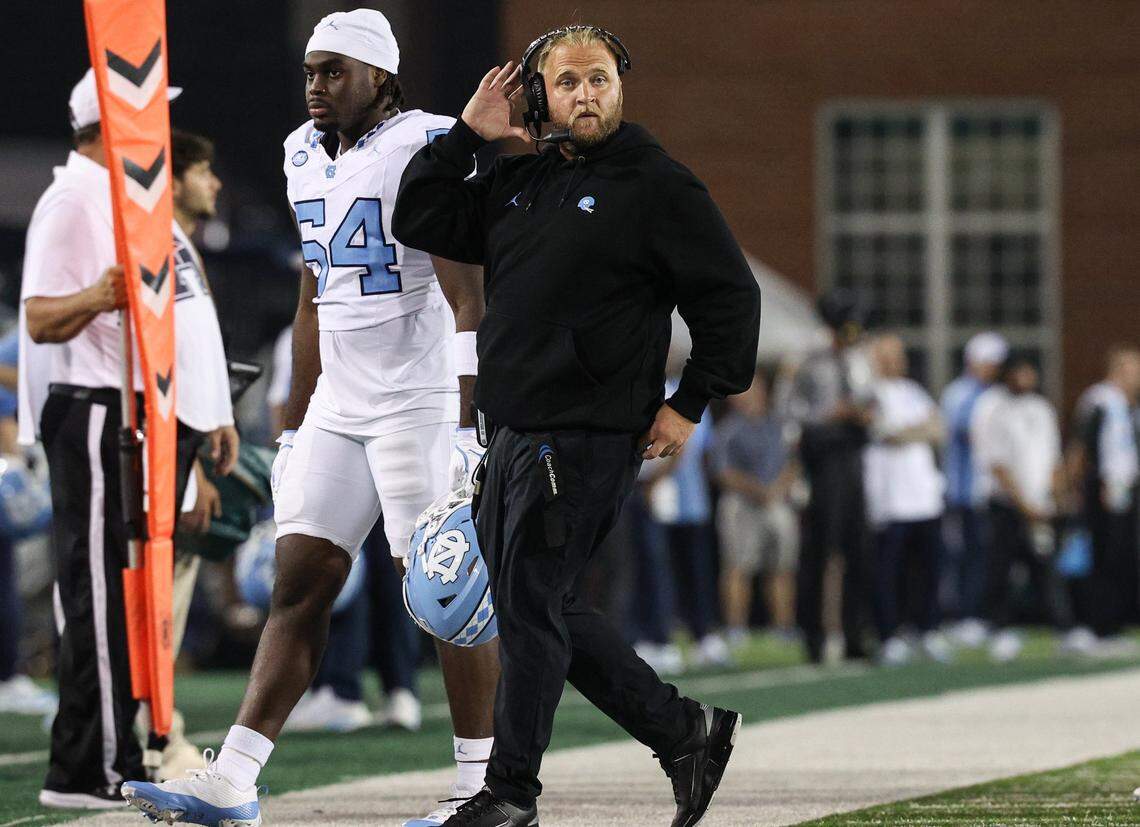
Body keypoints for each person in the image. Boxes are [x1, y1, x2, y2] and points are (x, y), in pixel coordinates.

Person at [123, 11, 499, 827]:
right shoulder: (298, 152)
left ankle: (483, 786)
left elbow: (471, 299)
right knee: (300, 580)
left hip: (420, 399)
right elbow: (311, 296)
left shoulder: (428, 146)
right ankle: (235, 778)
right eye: (309, 72)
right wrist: (294, 426)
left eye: (334, 71)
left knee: (446, 591)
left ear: (381, 79)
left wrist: (471, 426)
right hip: (338, 402)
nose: (316, 87)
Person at [392, 24, 759, 826]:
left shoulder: (657, 183)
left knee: (530, 612)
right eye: (567, 83)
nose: (585, 95)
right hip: (512, 435)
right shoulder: (520, 179)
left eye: (598, 79)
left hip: (588, 433)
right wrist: (465, 133)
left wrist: (691, 401)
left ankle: (510, 792)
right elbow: (417, 215)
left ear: (620, 87)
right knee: (545, 606)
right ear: (541, 95)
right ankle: (685, 731)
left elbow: (731, 299)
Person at [19, 70, 236, 810]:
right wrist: (96, 295)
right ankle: (94, 769)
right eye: (142, 114)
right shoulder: (72, 197)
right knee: (99, 596)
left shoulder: (110, 197)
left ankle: (91, 763)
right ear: (107, 123)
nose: (155, 130)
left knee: (112, 592)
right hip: (87, 408)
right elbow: (39, 317)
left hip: (120, 412)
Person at [783, 289, 874, 663]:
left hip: (853, 456)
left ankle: (855, 634)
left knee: (858, 550)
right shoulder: (808, 361)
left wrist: (865, 415)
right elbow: (790, 415)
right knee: (820, 550)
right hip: (823, 459)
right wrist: (830, 415)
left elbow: (871, 405)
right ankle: (813, 636)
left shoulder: (858, 361)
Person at [973, 356, 1072, 661]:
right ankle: (999, 629)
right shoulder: (996, 409)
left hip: (1040, 504)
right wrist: (1023, 503)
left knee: (1045, 568)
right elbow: (997, 464)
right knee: (1001, 568)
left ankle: (1064, 628)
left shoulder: (1041, 409)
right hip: (1008, 504)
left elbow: (1053, 457)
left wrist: (1056, 496)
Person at [863, 335, 950, 665]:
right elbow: (886, 432)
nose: (896, 360)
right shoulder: (870, 392)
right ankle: (888, 634)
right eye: (889, 354)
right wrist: (917, 430)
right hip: (890, 498)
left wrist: (909, 431)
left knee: (928, 569)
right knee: (888, 572)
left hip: (924, 496)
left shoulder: (913, 391)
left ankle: (927, 630)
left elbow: (938, 429)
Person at [711, 368, 800, 648]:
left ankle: (783, 629)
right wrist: (757, 490)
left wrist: (778, 488)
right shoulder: (727, 429)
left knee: (782, 567)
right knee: (738, 566)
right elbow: (722, 472)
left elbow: (793, 461)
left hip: (777, 500)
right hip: (742, 503)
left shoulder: (778, 424)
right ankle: (736, 629)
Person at [940, 332, 1007, 646]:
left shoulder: (993, 394)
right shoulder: (961, 394)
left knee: (984, 556)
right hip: (963, 489)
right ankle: (961, 616)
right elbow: (969, 433)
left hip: (985, 491)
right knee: (964, 556)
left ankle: (977, 614)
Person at [1071, 346, 1140, 639]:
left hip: (1128, 488)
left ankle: (1121, 620)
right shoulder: (1099, 400)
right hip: (1103, 488)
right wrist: (1075, 485)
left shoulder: (1131, 405)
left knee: (1126, 555)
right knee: (1104, 556)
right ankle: (1100, 624)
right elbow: (1082, 445)